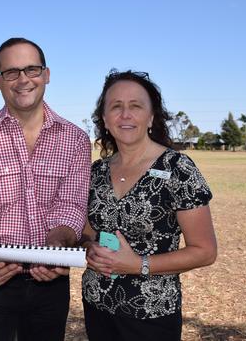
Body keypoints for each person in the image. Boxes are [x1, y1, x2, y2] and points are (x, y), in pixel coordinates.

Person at [0, 37, 91, 341]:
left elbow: (71, 206)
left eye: (32, 69)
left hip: (51, 283)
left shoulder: (76, 140)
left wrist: (57, 248)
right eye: (11, 72)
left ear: (46, 74)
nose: (23, 80)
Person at [81, 69, 218, 341]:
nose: (125, 114)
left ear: (151, 116)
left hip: (152, 313)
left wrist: (137, 264)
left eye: (136, 106)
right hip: (97, 305)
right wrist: (89, 248)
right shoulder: (95, 172)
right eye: (116, 107)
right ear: (105, 119)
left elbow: (205, 252)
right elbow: (85, 232)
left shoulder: (178, 169)